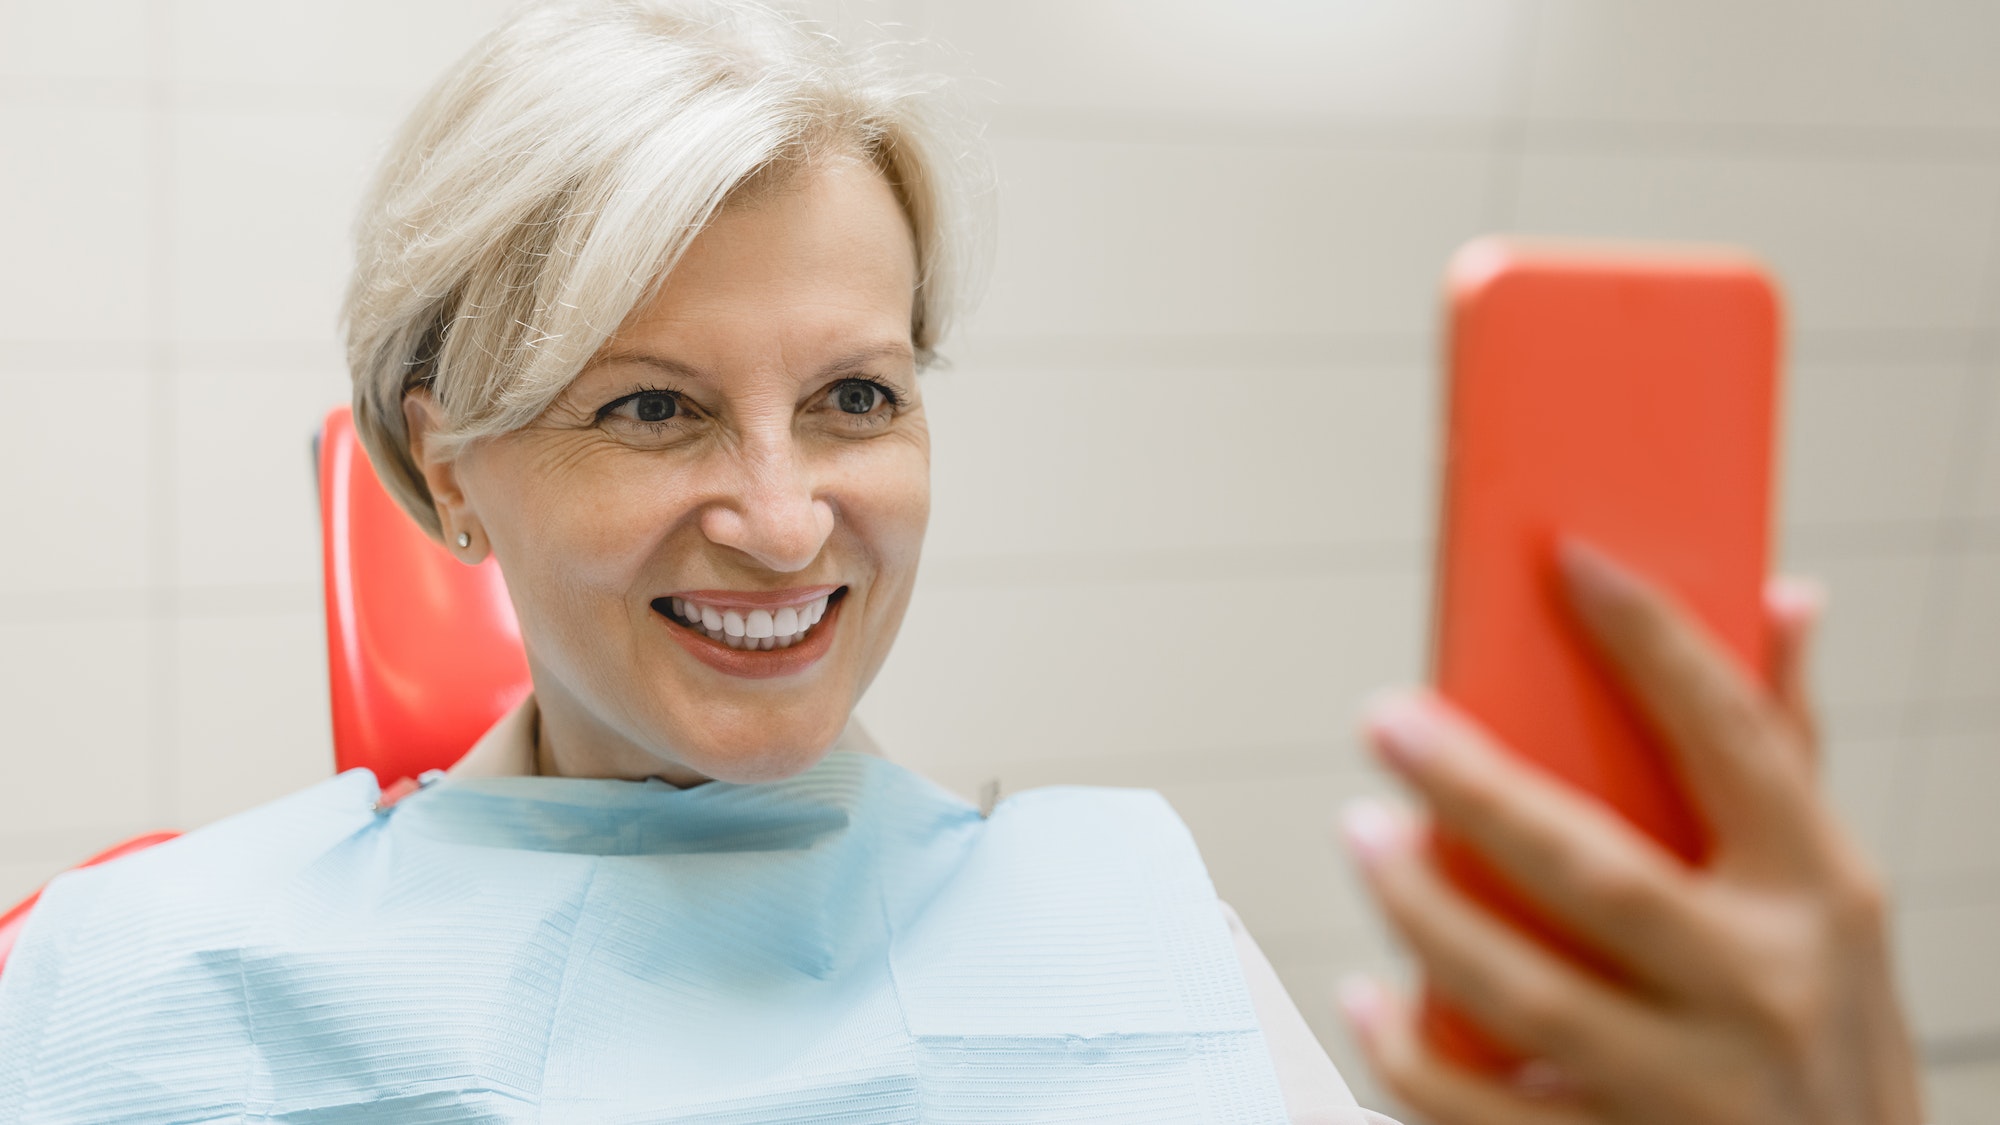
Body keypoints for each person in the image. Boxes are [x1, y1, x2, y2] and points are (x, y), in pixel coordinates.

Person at [0, 2, 1924, 1123]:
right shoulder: (152, 971)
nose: (778, 516)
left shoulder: (1136, 914)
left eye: (855, 396)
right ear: (451, 460)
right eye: (651, 410)